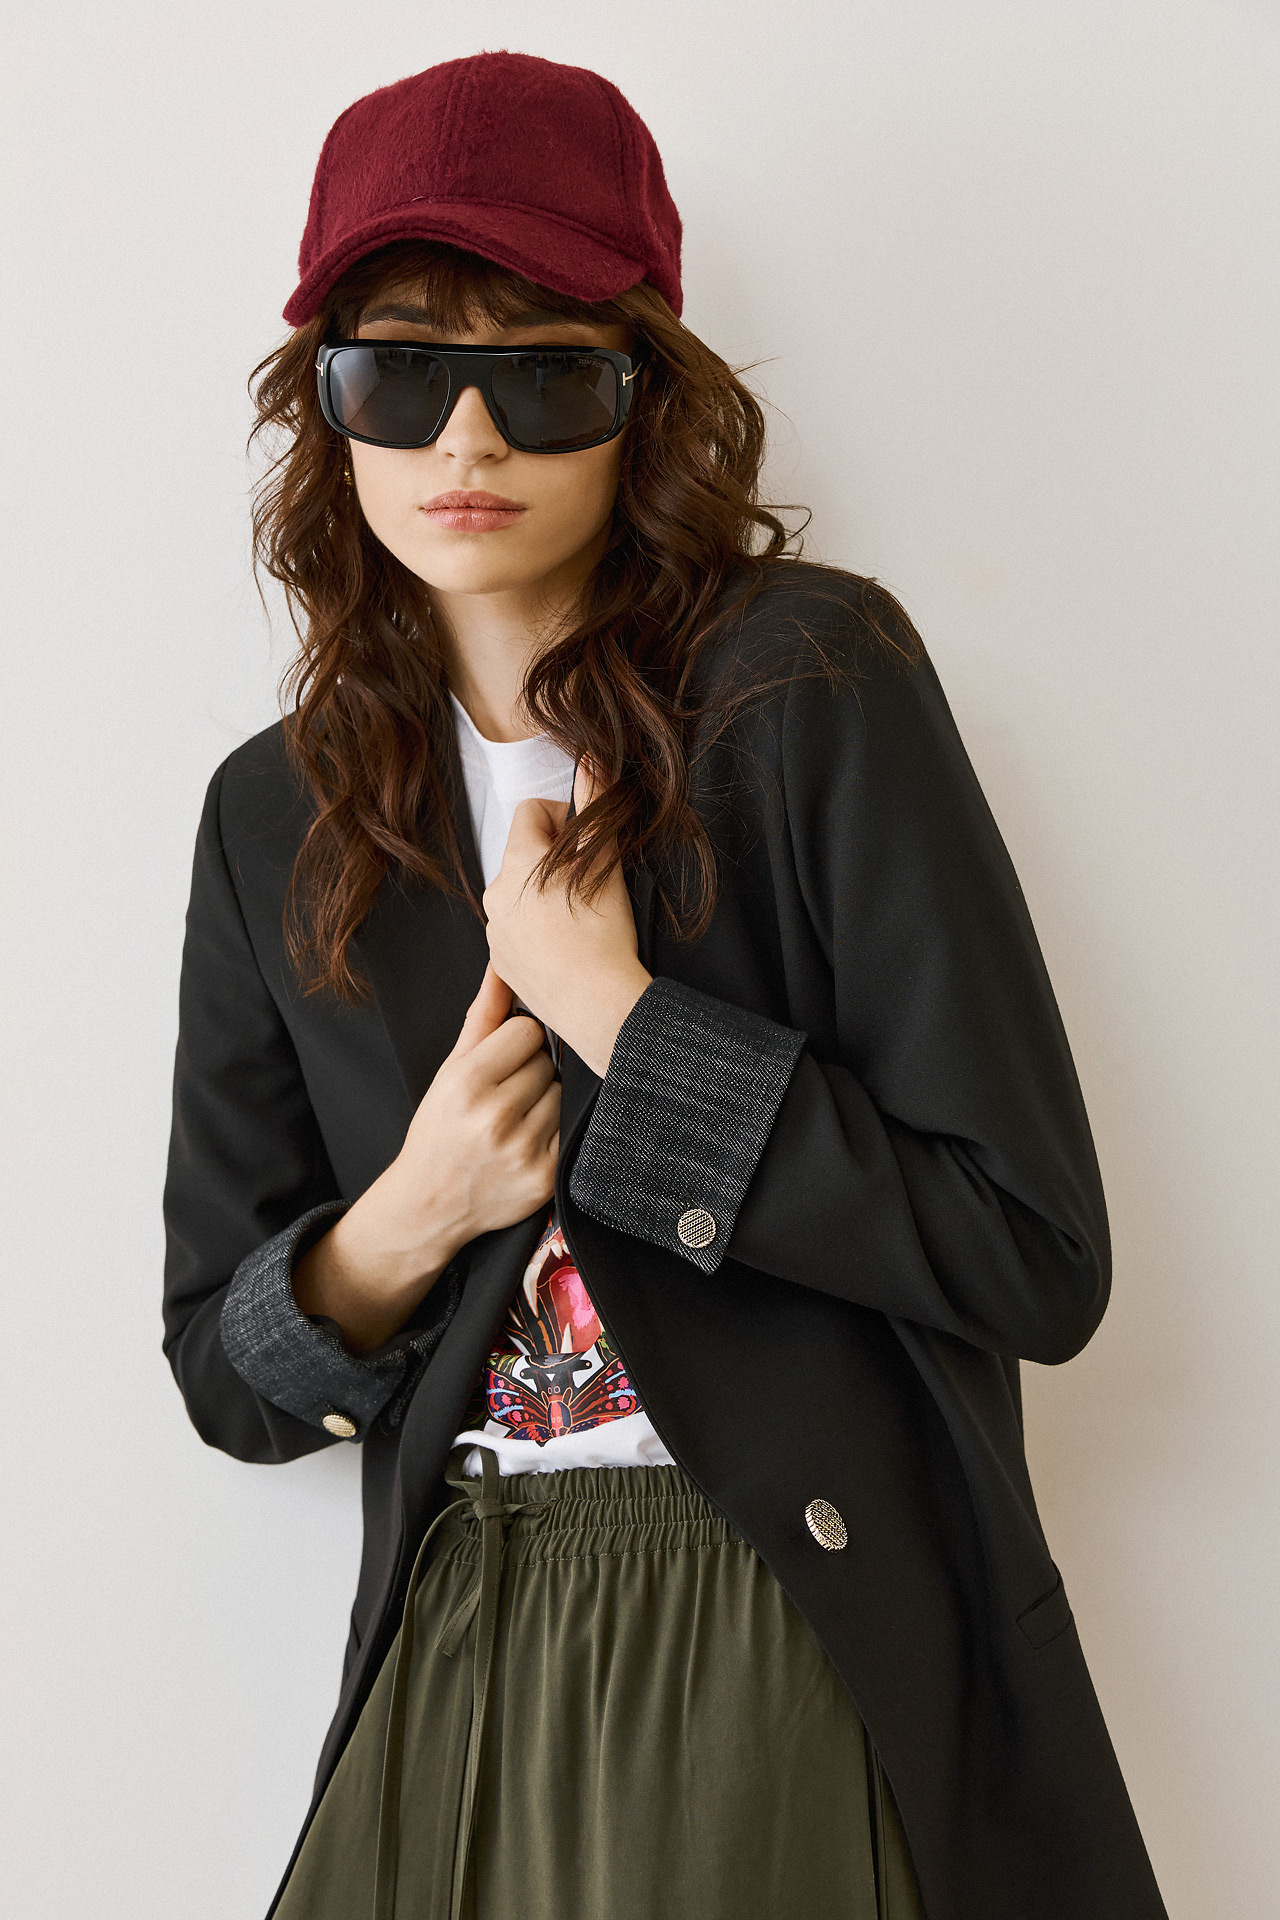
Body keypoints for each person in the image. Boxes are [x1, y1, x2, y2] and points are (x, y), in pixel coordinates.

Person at [162, 49, 1169, 1920]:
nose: (468, 442)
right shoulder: (273, 814)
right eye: (399, 374)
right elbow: (225, 1376)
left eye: (545, 375)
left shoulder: (807, 689)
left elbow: (1034, 1251)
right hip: (451, 1633)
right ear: (328, 412)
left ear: (646, 405)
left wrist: (630, 1027)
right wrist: (406, 1215)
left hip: (774, 1615)